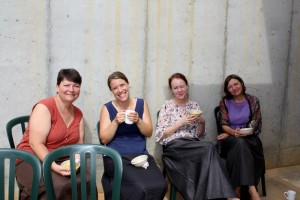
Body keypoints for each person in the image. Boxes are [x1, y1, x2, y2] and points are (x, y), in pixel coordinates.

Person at [155, 72, 239, 200]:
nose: (179, 90)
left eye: (182, 86)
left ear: (187, 86)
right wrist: (180, 123)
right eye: (176, 87)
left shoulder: (194, 105)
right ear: (172, 90)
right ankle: (229, 196)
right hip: (175, 146)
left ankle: (220, 196)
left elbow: (199, 135)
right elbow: (161, 135)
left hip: (193, 143)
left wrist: (202, 122)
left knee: (209, 148)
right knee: (210, 148)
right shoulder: (167, 106)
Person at [16, 68, 91, 199]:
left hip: (62, 158)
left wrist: (76, 162)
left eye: (76, 86)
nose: (71, 89)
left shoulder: (78, 113)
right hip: (32, 158)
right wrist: (54, 166)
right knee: (56, 185)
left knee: (86, 182)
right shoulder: (44, 107)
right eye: (66, 85)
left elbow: (79, 145)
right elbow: (36, 143)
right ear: (57, 87)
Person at [99, 71, 167, 200]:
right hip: (116, 156)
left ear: (128, 84)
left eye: (122, 85)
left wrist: (138, 120)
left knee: (160, 184)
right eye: (115, 88)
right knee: (139, 187)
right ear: (112, 91)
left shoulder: (141, 104)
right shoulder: (106, 108)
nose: (120, 90)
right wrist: (115, 122)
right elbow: (104, 139)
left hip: (140, 155)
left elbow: (149, 132)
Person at [217, 74, 265, 200]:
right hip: (231, 138)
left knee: (241, 144)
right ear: (227, 90)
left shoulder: (253, 100)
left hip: (249, 137)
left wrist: (242, 132)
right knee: (239, 143)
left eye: (236, 84)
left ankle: (236, 189)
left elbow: (255, 123)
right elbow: (224, 124)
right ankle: (252, 189)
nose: (234, 88)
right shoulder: (225, 102)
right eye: (230, 86)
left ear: (242, 84)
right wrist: (232, 133)